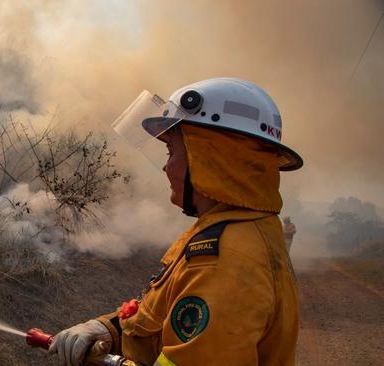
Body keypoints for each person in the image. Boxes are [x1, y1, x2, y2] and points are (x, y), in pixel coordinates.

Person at [48, 78, 303, 366]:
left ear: (210, 158)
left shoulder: (226, 259)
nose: (166, 166)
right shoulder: (239, 230)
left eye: (171, 151)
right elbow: (162, 316)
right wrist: (109, 329)